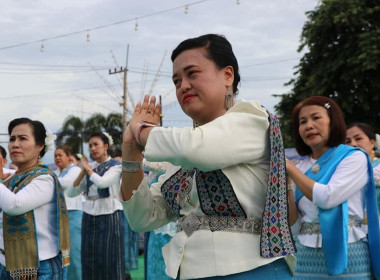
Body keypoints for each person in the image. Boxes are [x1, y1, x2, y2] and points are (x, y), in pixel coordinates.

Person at [120, 34, 295, 279]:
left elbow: (196, 149)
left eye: (192, 73)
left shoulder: (252, 119)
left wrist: (138, 131)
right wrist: (130, 154)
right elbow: (143, 217)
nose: (183, 86)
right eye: (177, 80)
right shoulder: (185, 154)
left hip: (252, 271)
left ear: (227, 75)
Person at [285, 96, 380, 279]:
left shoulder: (354, 158)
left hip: (348, 251)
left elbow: (328, 198)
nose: (309, 125)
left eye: (316, 118)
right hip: (305, 256)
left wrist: (290, 169)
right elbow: (295, 227)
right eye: (302, 122)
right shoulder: (301, 166)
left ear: (333, 121)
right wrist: (288, 185)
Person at [0, 118, 70, 279]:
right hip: (7, 263)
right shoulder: (12, 178)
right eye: (12, 139)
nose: (15, 144)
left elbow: (14, 205)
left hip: (38, 267)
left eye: (22, 138)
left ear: (40, 146)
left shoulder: (44, 178)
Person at [69, 132, 125, 280]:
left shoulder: (116, 166)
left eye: (96, 144)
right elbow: (71, 192)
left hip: (109, 213)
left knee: (109, 257)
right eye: (90, 146)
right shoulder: (90, 167)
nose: (93, 148)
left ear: (106, 146)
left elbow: (102, 182)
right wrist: (82, 172)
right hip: (88, 214)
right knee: (89, 257)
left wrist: (87, 169)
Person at [54, 145, 83, 280]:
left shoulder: (75, 170)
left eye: (60, 155)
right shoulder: (56, 173)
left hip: (74, 215)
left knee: (75, 251)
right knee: (63, 252)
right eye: (55, 156)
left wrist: (46, 177)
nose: (57, 158)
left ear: (68, 157)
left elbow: (65, 183)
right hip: (59, 217)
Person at [345, 122, 380, 214]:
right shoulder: (340, 170)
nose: (353, 144)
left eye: (358, 138)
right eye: (347, 141)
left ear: (372, 142)